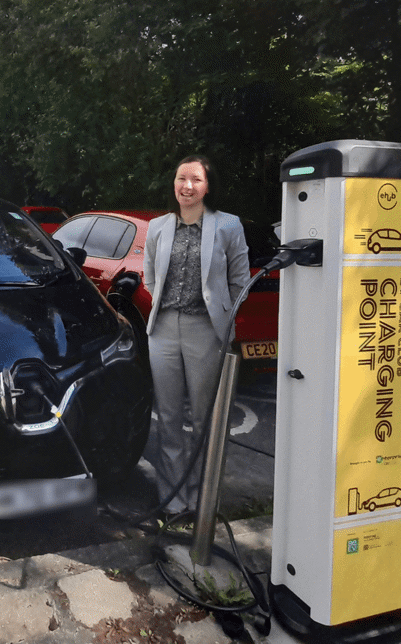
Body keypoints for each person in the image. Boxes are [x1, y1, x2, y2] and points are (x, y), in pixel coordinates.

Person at [142, 155, 249, 518]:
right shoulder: (158, 227)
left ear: (207, 185)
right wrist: (163, 305)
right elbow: (149, 278)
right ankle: (173, 500)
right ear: (173, 183)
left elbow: (240, 281)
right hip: (164, 330)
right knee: (169, 417)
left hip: (205, 330)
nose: (187, 186)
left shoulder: (227, 226)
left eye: (196, 180)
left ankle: (204, 502)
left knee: (206, 418)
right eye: (181, 178)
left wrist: (222, 316)